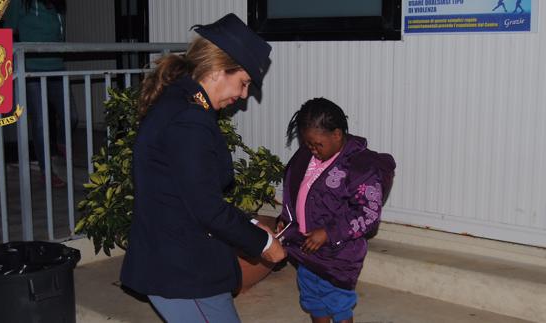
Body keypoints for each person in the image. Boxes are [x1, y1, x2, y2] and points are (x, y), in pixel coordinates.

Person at [120, 13, 286, 323]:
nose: (244, 95)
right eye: (244, 82)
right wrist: (264, 244)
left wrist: (249, 222)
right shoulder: (189, 118)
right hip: (181, 269)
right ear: (219, 71)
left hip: (183, 258)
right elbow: (206, 207)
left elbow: (187, 189)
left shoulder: (181, 101)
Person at [277, 98, 396, 323]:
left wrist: (329, 233)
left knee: (338, 303)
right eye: (307, 143)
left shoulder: (360, 167)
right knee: (313, 299)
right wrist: (286, 218)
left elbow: (368, 214)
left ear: (337, 135)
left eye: (317, 144)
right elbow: (297, 193)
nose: (312, 149)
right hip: (306, 249)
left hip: (338, 255)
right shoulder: (307, 157)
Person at [3, 0, 78, 187]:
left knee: (72, 116)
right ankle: (46, 172)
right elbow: (8, 31)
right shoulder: (20, 3)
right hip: (31, 71)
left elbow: (61, 36)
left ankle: (60, 141)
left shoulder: (59, 5)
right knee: (40, 123)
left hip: (57, 68)